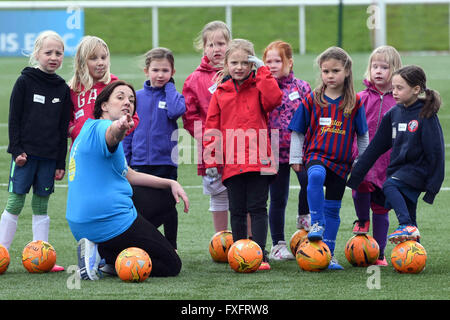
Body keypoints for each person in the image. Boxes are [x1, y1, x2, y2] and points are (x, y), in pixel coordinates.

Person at [66, 80, 189, 280]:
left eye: (131, 100)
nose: (127, 102)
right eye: (120, 97)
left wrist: (170, 183)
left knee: (165, 195)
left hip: (81, 223)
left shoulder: (87, 129)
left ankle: (104, 251)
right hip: (107, 219)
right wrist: (120, 127)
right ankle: (109, 256)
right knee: (171, 264)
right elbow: (112, 135)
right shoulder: (104, 128)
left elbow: (129, 174)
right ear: (104, 105)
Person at [203, 39, 282, 270]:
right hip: (232, 162)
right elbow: (211, 127)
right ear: (226, 64)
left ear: (252, 64)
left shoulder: (260, 86)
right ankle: (239, 254)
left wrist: (264, 71)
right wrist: (211, 158)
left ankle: (259, 255)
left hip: (261, 160)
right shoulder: (220, 92)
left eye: (244, 63)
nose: (239, 67)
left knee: (258, 208)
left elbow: (274, 99)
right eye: (234, 62)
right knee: (236, 210)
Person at [288, 47, 369, 270]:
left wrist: (363, 162)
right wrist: (296, 156)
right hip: (316, 155)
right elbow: (297, 130)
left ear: (347, 71)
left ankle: (329, 255)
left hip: (342, 164)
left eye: (335, 70)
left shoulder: (355, 103)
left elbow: (363, 135)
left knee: (334, 208)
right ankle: (316, 221)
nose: (330, 75)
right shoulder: (312, 99)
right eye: (325, 71)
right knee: (314, 175)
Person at [347, 65, 444, 244]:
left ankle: (405, 224)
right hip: (399, 171)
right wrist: (357, 175)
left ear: (416, 90)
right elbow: (375, 147)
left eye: (400, 88)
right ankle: (414, 252)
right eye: (394, 87)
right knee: (409, 210)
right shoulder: (393, 114)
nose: (395, 92)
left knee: (389, 186)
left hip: (417, 172)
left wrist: (433, 187)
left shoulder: (426, 115)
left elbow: (436, 154)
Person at [0, 30, 71, 272]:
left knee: (41, 206)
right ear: (37, 54)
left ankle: (42, 257)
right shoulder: (25, 81)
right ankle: (2, 252)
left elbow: (63, 129)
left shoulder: (62, 88)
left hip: (49, 158)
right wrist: (17, 150)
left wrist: (60, 162)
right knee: (15, 202)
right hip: (25, 157)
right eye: (48, 52)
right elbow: (14, 118)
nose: (53, 57)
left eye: (58, 53)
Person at [122, 47, 185, 249]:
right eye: (156, 70)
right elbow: (128, 131)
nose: (160, 75)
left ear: (173, 72)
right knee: (140, 206)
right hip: (139, 164)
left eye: (165, 71)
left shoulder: (172, 96)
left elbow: (176, 111)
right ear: (146, 71)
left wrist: (170, 87)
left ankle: (171, 245)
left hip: (165, 162)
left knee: (167, 205)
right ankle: (144, 241)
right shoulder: (136, 97)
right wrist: (126, 157)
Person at [350, 45, 402, 266]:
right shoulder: (359, 98)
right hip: (363, 156)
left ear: (395, 71)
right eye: (375, 66)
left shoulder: (400, 102)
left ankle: (379, 253)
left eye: (384, 67)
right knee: (359, 186)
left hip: (388, 161)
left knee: (381, 207)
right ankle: (362, 220)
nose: (378, 71)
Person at [262, 40, 311, 261]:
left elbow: (311, 116)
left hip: (298, 147)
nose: (272, 65)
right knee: (278, 197)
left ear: (289, 63)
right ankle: (278, 244)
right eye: (268, 61)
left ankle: (304, 216)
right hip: (271, 148)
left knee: (308, 181)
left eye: (277, 60)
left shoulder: (301, 87)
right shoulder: (261, 86)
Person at [182, 21, 232, 233]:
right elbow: (189, 115)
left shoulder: (240, 73)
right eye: (210, 45)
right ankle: (221, 239)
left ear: (230, 45)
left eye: (221, 43)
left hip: (241, 145)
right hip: (212, 149)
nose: (216, 49)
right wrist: (207, 138)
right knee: (218, 194)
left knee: (245, 194)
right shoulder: (194, 79)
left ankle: (248, 241)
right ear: (203, 48)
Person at [68, 35, 139, 145]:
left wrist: (119, 130)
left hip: (107, 148)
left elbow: (133, 117)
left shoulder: (114, 86)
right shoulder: (73, 89)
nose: (100, 62)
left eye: (103, 57)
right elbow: (65, 119)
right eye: (94, 58)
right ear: (82, 62)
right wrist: (74, 131)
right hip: (81, 149)